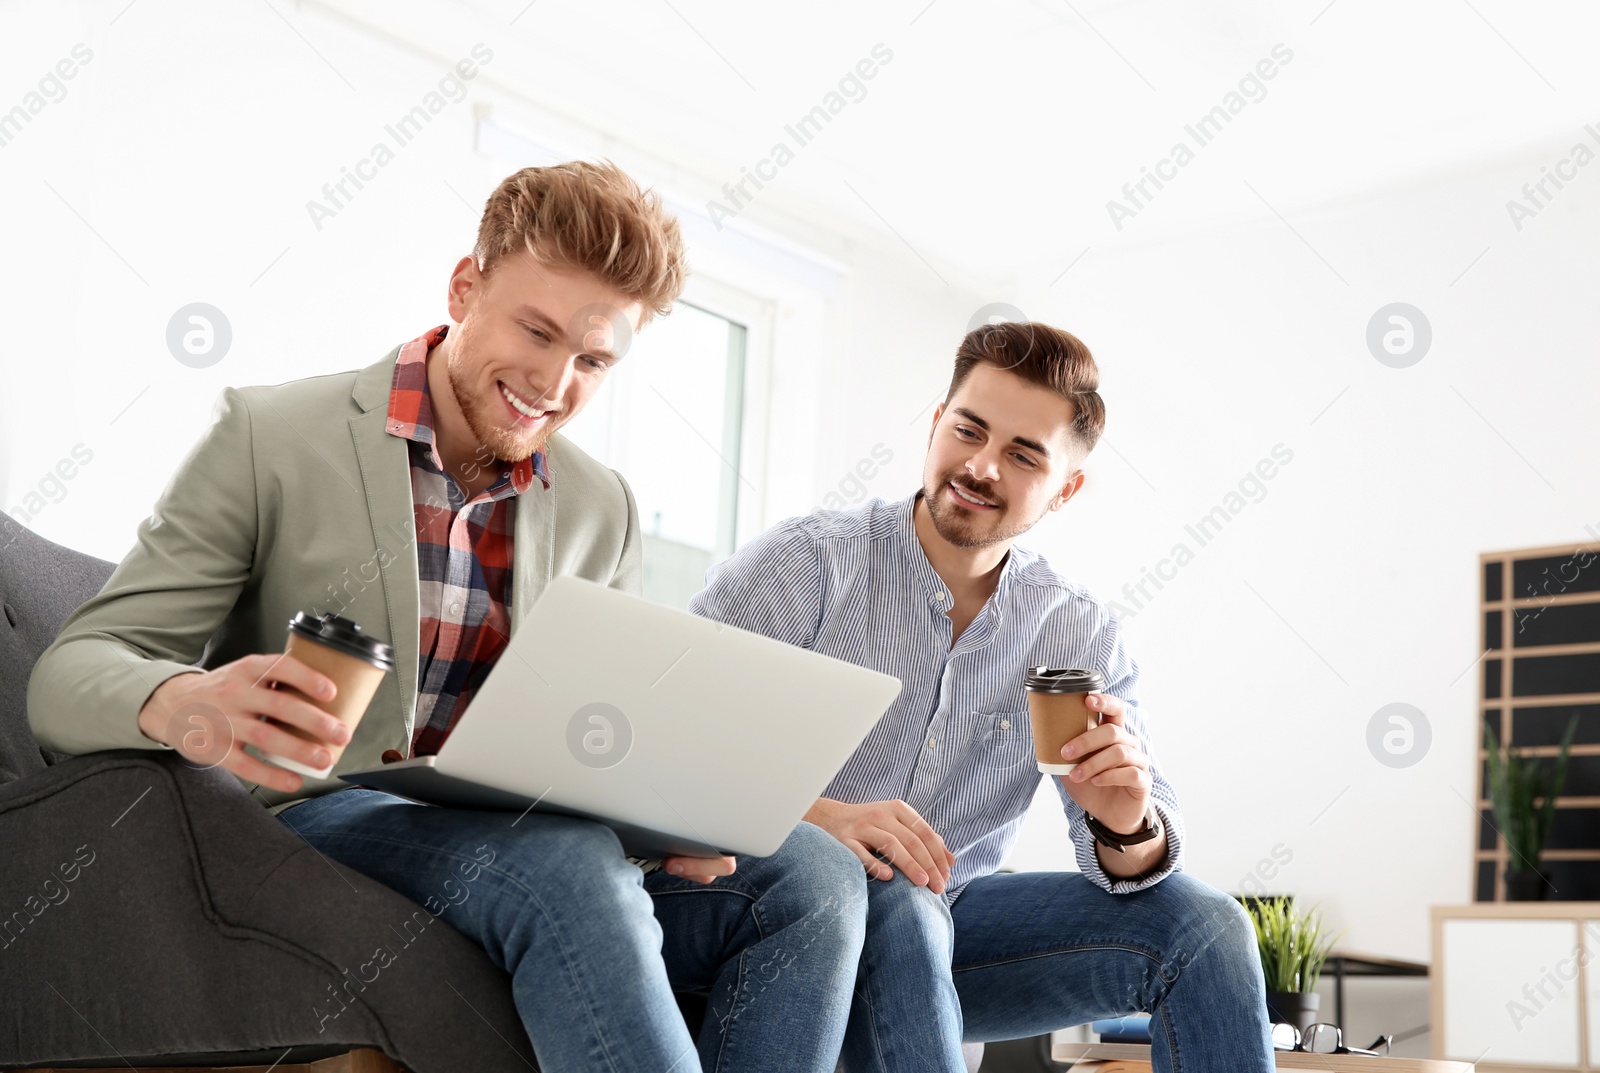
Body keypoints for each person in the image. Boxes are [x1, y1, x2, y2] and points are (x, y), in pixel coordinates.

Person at [28, 160, 868, 1073]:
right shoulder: (271, 435)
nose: (553, 383)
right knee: (565, 864)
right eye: (536, 331)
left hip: (520, 836)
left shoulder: (601, 505)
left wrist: (670, 812)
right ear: (466, 287)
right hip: (317, 818)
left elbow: (600, 735)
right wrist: (195, 700)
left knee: (814, 876)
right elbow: (73, 673)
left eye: (592, 361)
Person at [688, 321, 1276, 1072]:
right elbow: (664, 741)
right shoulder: (808, 565)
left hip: (949, 925)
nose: (982, 465)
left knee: (1206, 927)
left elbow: (1137, 857)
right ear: (936, 425)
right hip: (765, 904)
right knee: (898, 898)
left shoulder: (1073, 629)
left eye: (1023, 455)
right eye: (968, 430)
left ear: (1066, 489)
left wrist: (1126, 823)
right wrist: (817, 818)